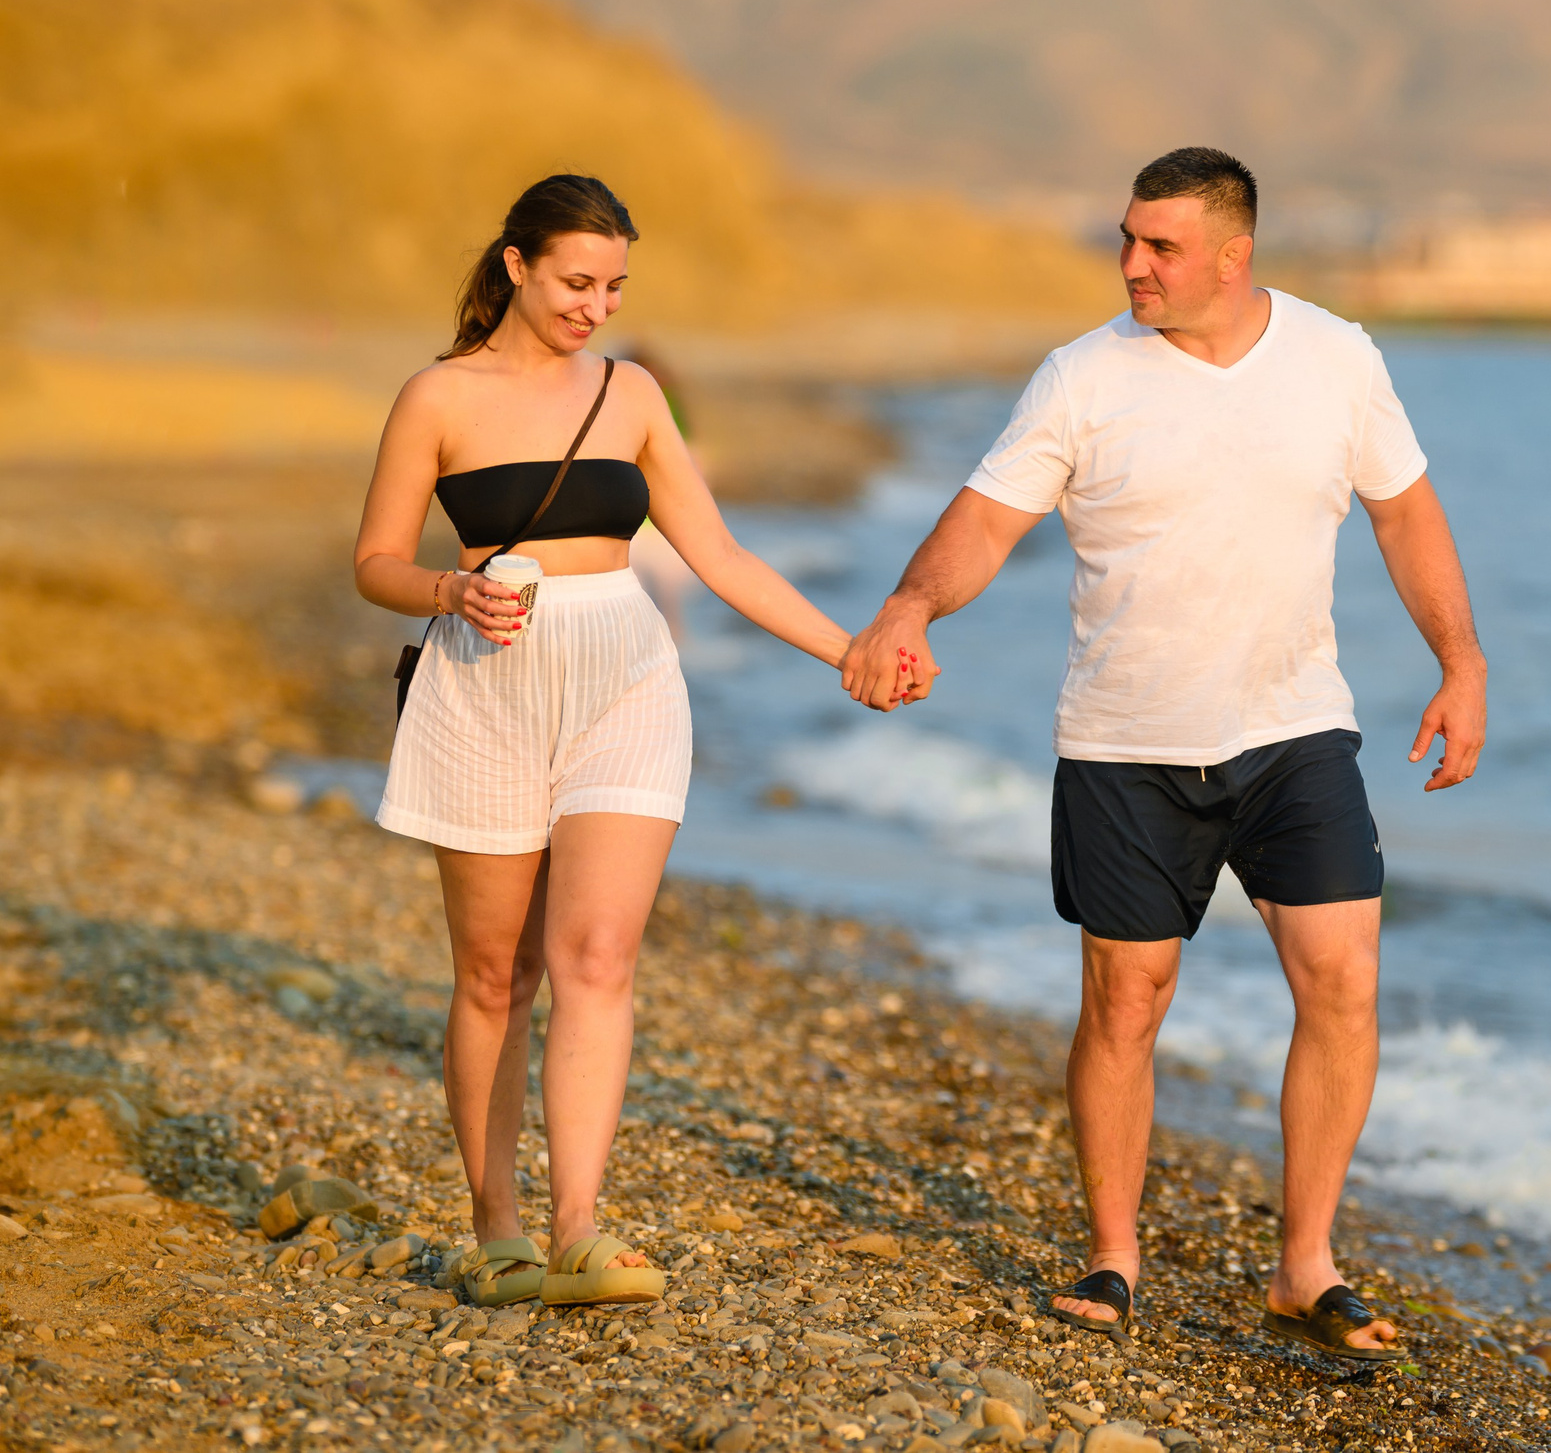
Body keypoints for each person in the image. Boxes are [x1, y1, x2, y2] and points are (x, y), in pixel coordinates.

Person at [838, 147, 1487, 1360]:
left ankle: (1306, 1264)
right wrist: (910, 608)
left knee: (1341, 981)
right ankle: (1113, 1253)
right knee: (1125, 1000)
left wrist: (1461, 662)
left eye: (1161, 247)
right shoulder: (1082, 376)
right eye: (1127, 240)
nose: (1132, 264)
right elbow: (986, 519)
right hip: (1124, 744)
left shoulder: (1337, 357)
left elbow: (1404, 510)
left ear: (1234, 257)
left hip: (1293, 731)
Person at [354, 174, 858, 1309]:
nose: (598, 306)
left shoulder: (632, 393)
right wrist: (448, 588)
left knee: (595, 959)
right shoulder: (437, 396)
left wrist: (849, 651)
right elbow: (374, 560)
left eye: (616, 286)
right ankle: (497, 1227)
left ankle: (579, 1226)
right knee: (498, 974)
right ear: (518, 265)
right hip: (485, 684)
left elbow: (720, 556)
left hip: (626, 679)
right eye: (578, 281)